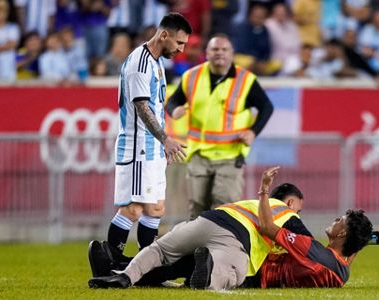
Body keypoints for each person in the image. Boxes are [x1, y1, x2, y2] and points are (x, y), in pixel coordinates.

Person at [88, 12, 192, 275]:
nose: (181, 49)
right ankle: (108, 264)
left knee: (156, 208)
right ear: (164, 35)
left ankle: (148, 270)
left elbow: (155, 108)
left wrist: (162, 143)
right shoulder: (140, 63)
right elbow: (141, 106)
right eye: (179, 43)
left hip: (153, 146)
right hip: (138, 146)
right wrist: (165, 139)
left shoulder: (157, 63)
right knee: (133, 209)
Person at [87, 170, 305, 290]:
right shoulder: (286, 212)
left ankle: (122, 274)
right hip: (235, 239)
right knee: (232, 275)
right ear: (292, 202)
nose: (298, 214)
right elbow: (308, 245)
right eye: (299, 209)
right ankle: (208, 269)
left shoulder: (250, 203)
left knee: (160, 252)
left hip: (208, 219)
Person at [165, 33, 274, 219]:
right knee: (197, 207)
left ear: (232, 54)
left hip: (230, 155)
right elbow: (172, 101)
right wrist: (174, 111)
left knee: (223, 207)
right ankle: (197, 248)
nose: (220, 53)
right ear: (206, 53)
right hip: (199, 153)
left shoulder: (245, 80)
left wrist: (252, 132)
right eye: (215, 49)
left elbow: (266, 107)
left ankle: (216, 248)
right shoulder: (191, 76)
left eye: (224, 49)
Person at [251, 166, 374, 288]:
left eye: (340, 220)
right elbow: (348, 259)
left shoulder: (311, 248)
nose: (335, 220)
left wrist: (264, 188)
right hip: (263, 279)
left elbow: (266, 227)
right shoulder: (343, 274)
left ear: (342, 234)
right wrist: (361, 238)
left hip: (255, 271)